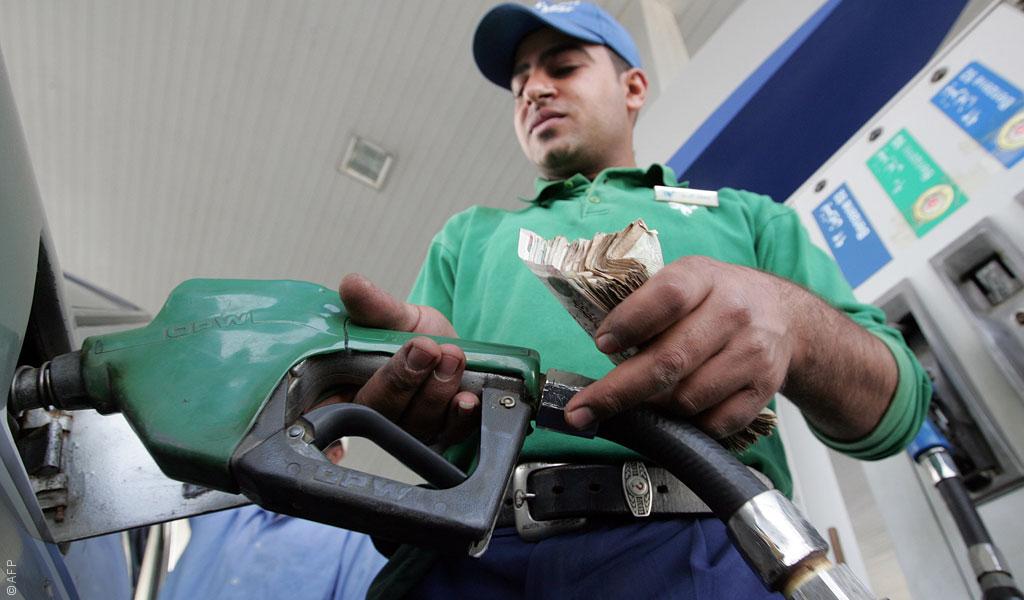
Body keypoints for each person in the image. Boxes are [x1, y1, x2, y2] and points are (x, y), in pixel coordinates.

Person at [335, 2, 930, 598]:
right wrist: (421, 370)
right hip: (470, 556)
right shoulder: (466, 236)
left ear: (635, 87)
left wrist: (792, 321)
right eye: (519, 86)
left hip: (704, 542)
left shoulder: (748, 217)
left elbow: (893, 409)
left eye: (563, 67)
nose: (534, 91)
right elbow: (417, 415)